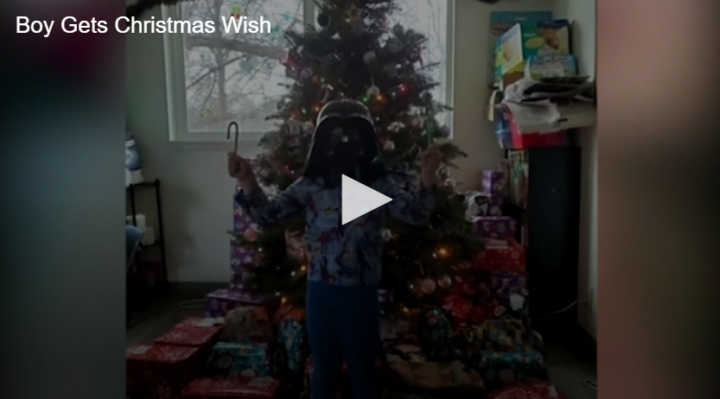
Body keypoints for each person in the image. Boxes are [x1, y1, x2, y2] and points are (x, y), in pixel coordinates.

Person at [228, 100, 442, 399]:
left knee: (362, 369)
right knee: (324, 368)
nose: (344, 142)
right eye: (335, 134)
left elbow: (416, 213)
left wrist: (428, 176)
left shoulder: (377, 183)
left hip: (359, 293)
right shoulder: (311, 185)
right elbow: (267, 215)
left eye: (352, 134)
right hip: (321, 293)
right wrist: (247, 179)